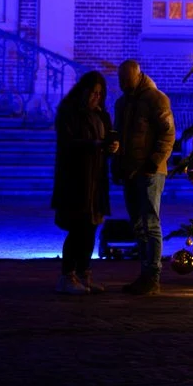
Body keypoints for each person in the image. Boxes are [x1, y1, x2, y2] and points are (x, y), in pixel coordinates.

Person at [113, 60, 175, 296]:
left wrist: (153, 162)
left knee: (149, 222)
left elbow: (168, 134)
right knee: (139, 224)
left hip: (149, 171)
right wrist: (117, 164)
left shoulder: (156, 99)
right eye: (122, 82)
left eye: (127, 82)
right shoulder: (124, 103)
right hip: (132, 171)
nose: (124, 86)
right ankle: (146, 274)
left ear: (138, 77)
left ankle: (152, 275)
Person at [51, 70, 117, 294]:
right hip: (76, 179)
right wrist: (95, 145)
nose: (96, 98)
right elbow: (68, 144)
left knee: (91, 228)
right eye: (93, 93)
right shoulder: (69, 114)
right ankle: (67, 275)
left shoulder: (102, 116)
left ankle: (84, 272)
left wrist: (111, 147)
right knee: (78, 228)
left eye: (100, 94)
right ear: (84, 92)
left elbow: (107, 139)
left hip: (96, 180)